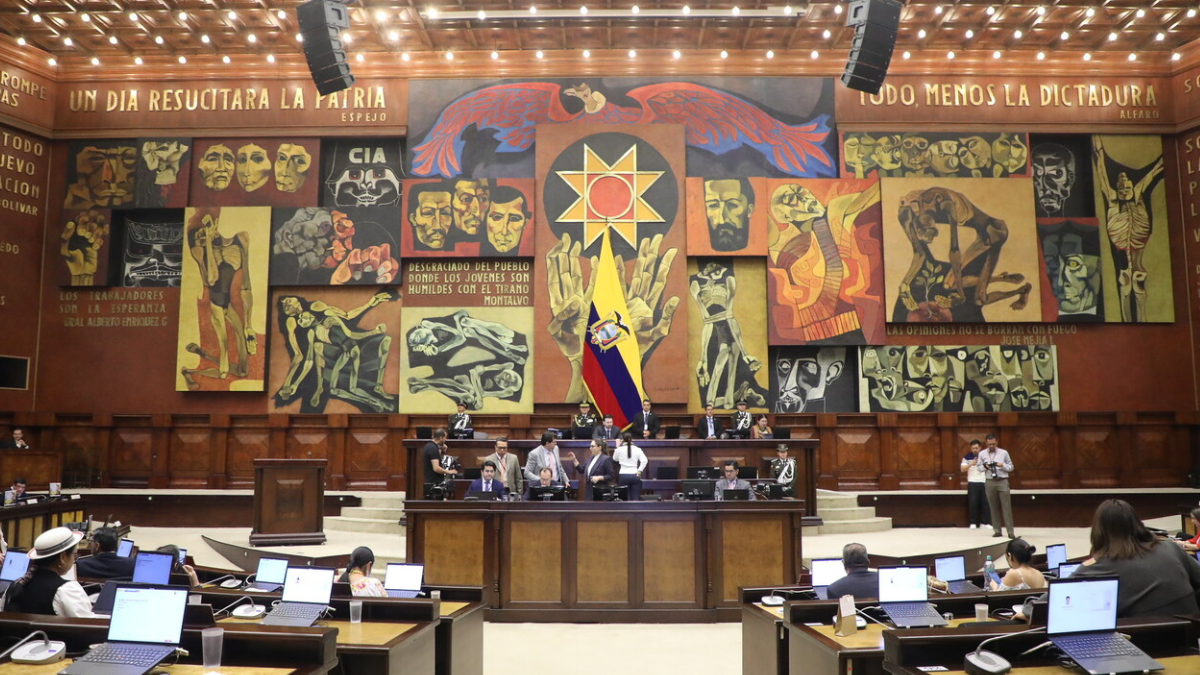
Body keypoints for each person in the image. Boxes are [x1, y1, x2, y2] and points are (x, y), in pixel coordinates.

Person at [1047, 500, 1200, 618]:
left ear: (1099, 531)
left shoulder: (1098, 565)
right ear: (1137, 524)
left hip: (1145, 645)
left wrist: (1026, 606)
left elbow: (1046, 602)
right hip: (1192, 637)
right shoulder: (1171, 548)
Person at [3, 526, 95, 617]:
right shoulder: (67, 589)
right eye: (74, 555)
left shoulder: (15, 585)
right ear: (62, 557)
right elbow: (90, 626)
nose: (74, 559)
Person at [979, 434, 1015, 538]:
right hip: (990, 481)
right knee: (993, 507)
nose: (991, 446)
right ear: (986, 443)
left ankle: (1010, 532)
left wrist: (1002, 465)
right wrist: (986, 466)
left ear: (997, 442)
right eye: (989, 444)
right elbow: (979, 468)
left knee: (1006, 507)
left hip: (1002, 481)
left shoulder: (1004, 453)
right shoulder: (982, 454)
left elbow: (1011, 467)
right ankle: (997, 530)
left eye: (993, 444)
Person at [961, 439, 992, 530]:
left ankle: (985, 522)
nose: (975, 450)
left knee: (985, 503)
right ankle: (973, 522)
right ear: (971, 448)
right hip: (972, 482)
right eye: (973, 448)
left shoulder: (986, 457)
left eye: (977, 448)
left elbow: (990, 468)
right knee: (973, 503)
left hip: (984, 481)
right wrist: (971, 464)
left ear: (980, 448)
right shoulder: (967, 457)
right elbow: (962, 469)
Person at [613, 433, 648, 501]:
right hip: (635, 474)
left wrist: (617, 447)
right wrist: (640, 470)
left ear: (623, 440)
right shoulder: (638, 449)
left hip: (623, 475)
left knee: (624, 498)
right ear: (632, 439)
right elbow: (645, 460)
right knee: (635, 498)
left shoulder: (619, 449)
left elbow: (615, 459)